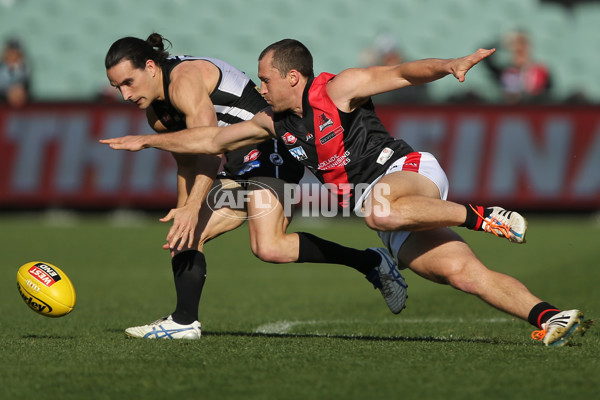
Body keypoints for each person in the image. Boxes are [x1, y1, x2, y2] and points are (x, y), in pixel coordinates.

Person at [102, 39, 591, 347]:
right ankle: (550, 316)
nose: (260, 87)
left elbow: (402, 74)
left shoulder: (336, 89)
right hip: (386, 211)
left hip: (408, 173)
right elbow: (211, 141)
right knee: (464, 275)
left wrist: (450, 64)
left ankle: (483, 215)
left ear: (293, 77)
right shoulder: (272, 121)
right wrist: (148, 140)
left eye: (266, 79)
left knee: (376, 210)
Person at [104, 34, 409, 339]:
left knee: (268, 246)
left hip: (270, 147)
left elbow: (209, 151)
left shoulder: (184, 80)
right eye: (118, 87)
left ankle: (369, 261)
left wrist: (193, 208)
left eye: (129, 82)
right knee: (186, 236)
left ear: (151, 67)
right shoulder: (157, 114)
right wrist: (185, 210)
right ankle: (184, 322)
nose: (125, 94)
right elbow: (187, 162)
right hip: (237, 159)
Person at [482, 30, 552, 104]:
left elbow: (550, 95)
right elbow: (485, 56)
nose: (520, 49)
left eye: (523, 44)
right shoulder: (505, 72)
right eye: (516, 46)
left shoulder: (541, 71)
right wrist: (502, 43)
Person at [0, 37, 31, 107]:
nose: (14, 55)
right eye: (11, 52)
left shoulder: (25, 68)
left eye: (16, 53)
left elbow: (25, 88)